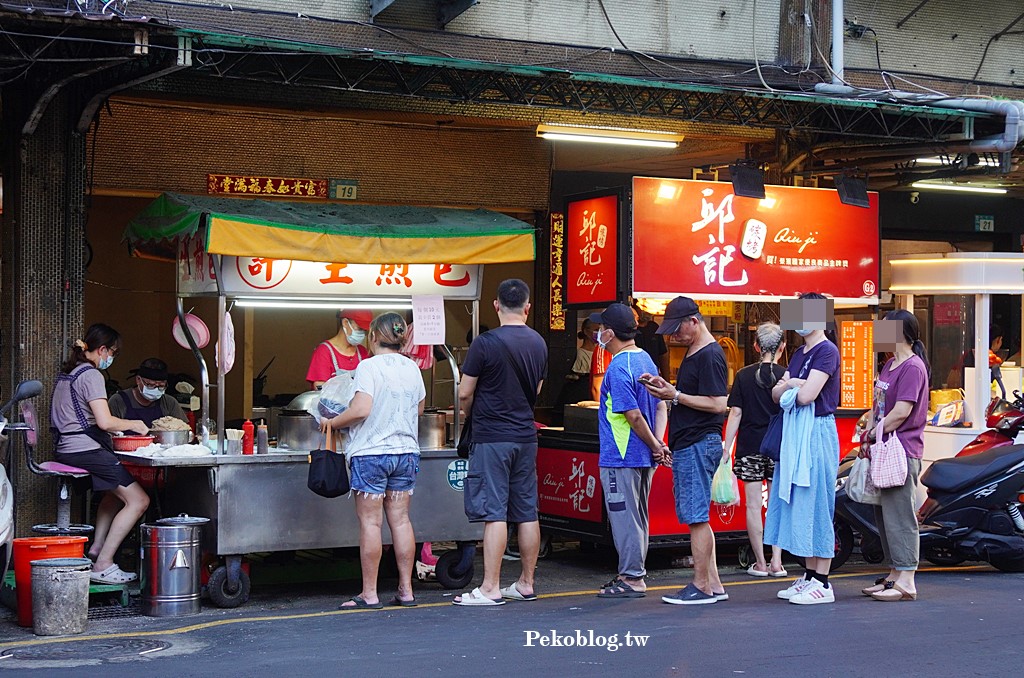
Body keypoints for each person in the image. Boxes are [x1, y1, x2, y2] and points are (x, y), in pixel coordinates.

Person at [321, 313, 426, 609]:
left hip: (371, 454)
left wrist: (333, 423)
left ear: (374, 337)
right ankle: (406, 591)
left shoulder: (367, 366)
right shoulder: (412, 367)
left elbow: (361, 409)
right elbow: (418, 409)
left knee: (370, 522)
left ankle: (370, 593)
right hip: (406, 452)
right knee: (401, 521)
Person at [454, 279, 546, 606]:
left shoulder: (485, 342)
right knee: (526, 511)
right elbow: (535, 390)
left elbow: (465, 391)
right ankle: (526, 583)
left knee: (495, 512)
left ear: (496, 305)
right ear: (527, 306)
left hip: (492, 437)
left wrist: (468, 414)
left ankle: (491, 588)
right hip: (525, 436)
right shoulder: (538, 342)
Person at [640, 296, 729, 605]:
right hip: (691, 442)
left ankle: (702, 585)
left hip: (698, 441)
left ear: (694, 321)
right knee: (698, 516)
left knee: (696, 517)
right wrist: (669, 389)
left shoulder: (710, 355)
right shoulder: (696, 352)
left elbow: (719, 404)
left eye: (677, 329)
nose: (673, 336)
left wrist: (675, 394)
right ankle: (713, 583)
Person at [50, 323, 150, 584]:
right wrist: (132, 424)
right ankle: (104, 564)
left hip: (67, 448)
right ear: (102, 349)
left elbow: (80, 417)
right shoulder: (92, 375)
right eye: (113, 352)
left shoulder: (69, 373)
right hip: (84, 450)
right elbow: (104, 422)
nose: (112, 358)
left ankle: (96, 548)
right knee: (139, 501)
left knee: (114, 495)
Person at [767, 291, 841, 605]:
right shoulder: (799, 353)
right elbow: (775, 393)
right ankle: (809, 576)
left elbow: (807, 395)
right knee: (800, 503)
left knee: (818, 503)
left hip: (817, 432)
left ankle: (823, 582)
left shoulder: (827, 351)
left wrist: (791, 385)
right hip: (797, 434)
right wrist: (793, 386)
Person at [590, 303, 669, 598]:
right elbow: (661, 404)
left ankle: (633, 577)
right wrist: (658, 444)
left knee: (625, 518)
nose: (598, 333)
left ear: (609, 333)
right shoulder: (646, 360)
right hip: (643, 456)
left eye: (601, 328)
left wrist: (654, 445)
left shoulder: (619, 367)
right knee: (637, 516)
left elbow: (632, 415)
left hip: (621, 456)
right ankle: (631, 573)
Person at [860, 310, 929, 602]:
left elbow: (902, 412)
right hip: (884, 448)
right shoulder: (889, 365)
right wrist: (869, 426)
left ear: (900, 332)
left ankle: (908, 580)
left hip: (901, 450)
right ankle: (893, 575)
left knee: (900, 515)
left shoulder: (912, 367)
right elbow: (880, 407)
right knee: (884, 514)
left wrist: (874, 433)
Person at [723, 323, 787, 578]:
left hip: (749, 445)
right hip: (778, 447)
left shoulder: (743, 375)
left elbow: (735, 413)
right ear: (782, 347)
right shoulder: (786, 376)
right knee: (776, 504)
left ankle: (760, 562)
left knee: (753, 506)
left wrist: (727, 447)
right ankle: (777, 562)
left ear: (756, 346)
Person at [108, 358, 188, 427]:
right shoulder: (118, 401)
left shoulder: (169, 403)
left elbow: (183, 430)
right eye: (150, 385)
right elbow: (109, 429)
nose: (156, 389)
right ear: (138, 380)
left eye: (161, 386)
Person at [306, 309, 372, 389]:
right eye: (359, 329)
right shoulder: (324, 351)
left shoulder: (362, 352)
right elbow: (319, 387)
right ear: (345, 323)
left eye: (364, 331)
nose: (362, 334)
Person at [632, 303, 669, 376]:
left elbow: (663, 355)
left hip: (654, 375)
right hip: (636, 374)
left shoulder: (654, 327)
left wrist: (666, 379)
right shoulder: (631, 330)